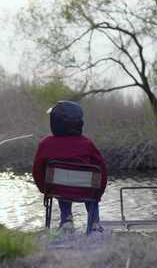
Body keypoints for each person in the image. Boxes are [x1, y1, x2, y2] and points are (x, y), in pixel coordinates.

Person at [32, 100, 107, 234]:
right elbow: (102, 171)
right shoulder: (87, 144)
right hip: (87, 191)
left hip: (58, 190)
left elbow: (37, 170)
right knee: (92, 186)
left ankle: (66, 219)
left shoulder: (46, 144)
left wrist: (45, 189)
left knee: (62, 183)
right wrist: (99, 194)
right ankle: (94, 223)